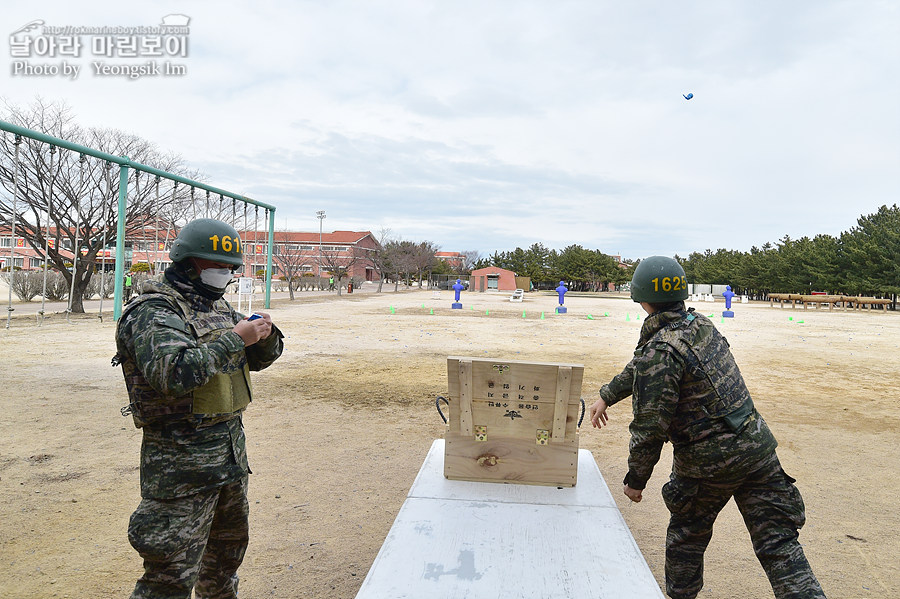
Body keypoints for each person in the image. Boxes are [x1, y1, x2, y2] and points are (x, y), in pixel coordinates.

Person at [588, 256, 825, 599]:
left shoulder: (661, 348)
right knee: (779, 544)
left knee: (686, 537)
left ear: (641, 298)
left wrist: (635, 480)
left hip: (708, 463)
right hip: (756, 449)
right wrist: (608, 395)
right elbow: (643, 367)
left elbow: (650, 427)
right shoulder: (699, 324)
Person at [114, 218, 284, 599]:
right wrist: (235, 339)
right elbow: (172, 374)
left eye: (230, 269)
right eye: (219, 267)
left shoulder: (216, 307)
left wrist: (264, 336)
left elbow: (256, 361)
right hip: (180, 470)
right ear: (189, 263)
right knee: (169, 578)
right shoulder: (154, 311)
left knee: (224, 566)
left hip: (228, 460)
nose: (225, 275)